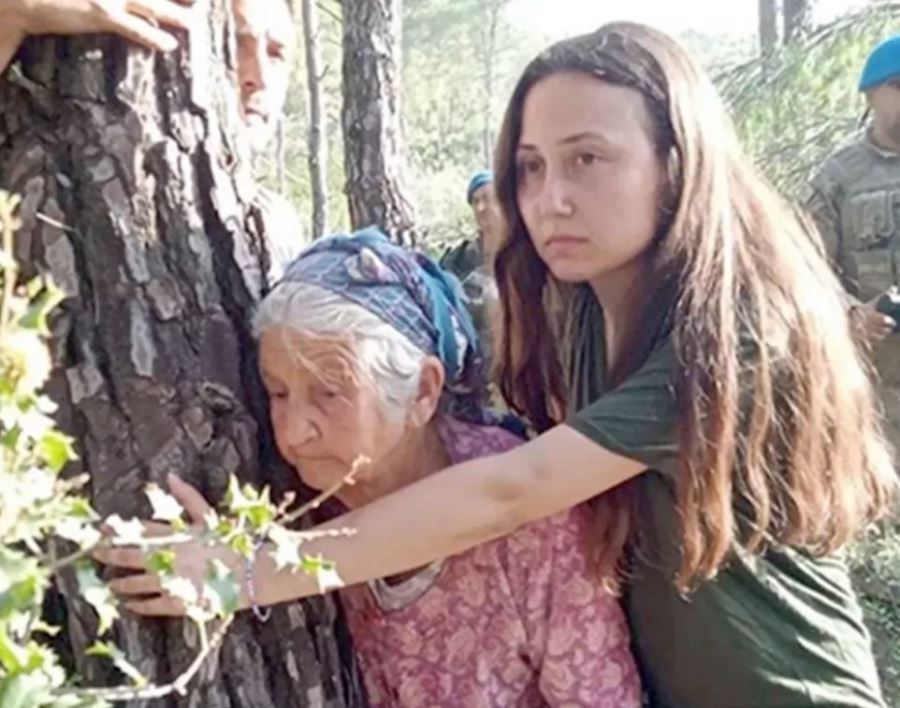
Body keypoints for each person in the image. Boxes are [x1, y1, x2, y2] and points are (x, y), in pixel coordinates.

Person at [98, 23, 898, 707]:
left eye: (588, 159)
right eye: (532, 166)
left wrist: (247, 573)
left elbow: (511, 492)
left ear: (677, 163)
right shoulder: (584, 310)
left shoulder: (733, 329)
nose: (549, 197)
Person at [159, 229, 645, 705]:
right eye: (278, 393)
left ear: (423, 391)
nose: (294, 432)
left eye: (329, 391)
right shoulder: (296, 503)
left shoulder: (532, 522)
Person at [0, 0, 304, 281]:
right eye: (235, 44)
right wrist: (12, 16)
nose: (259, 77)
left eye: (276, 53)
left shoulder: (280, 230)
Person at [807, 34, 900, 446]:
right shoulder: (838, 178)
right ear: (870, 94)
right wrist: (851, 316)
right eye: (897, 85)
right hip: (874, 390)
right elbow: (804, 274)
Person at [441, 169, 503, 362]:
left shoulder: (524, 250)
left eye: (486, 198)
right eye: (475, 202)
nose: (480, 207)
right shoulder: (458, 258)